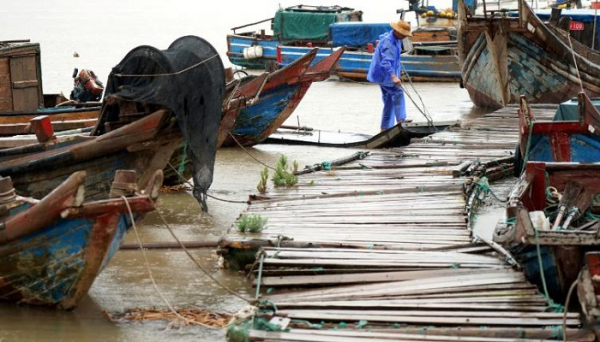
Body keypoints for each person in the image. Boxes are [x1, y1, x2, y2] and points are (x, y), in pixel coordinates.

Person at [367, 20, 412, 131]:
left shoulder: (396, 39)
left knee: (389, 101)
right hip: (384, 74)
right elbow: (386, 62)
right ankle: (401, 119)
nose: (405, 37)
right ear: (397, 31)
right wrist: (393, 76)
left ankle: (385, 128)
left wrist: (398, 72)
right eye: (404, 34)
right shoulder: (389, 42)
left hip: (383, 74)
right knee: (398, 93)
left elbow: (395, 59)